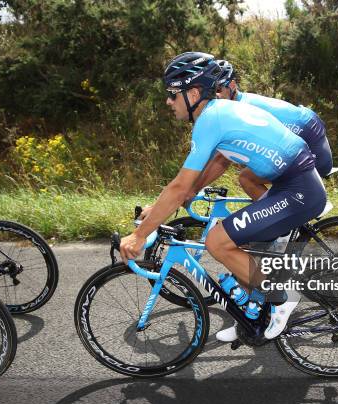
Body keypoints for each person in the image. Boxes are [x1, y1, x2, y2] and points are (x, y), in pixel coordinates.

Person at [119, 52, 327, 341]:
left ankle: (281, 297)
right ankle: (251, 316)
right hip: (291, 185)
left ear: (193, 93)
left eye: (172, 94)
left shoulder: (211, 119)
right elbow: (194, 179)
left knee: (217, 240)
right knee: (239, 247)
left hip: (299, 191)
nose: (168, 101)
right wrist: (160, 207)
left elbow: (180, 186)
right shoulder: (219, 112)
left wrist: (140, 235)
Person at [215, 60, 333, 201]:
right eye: (210, 91)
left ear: (232, 85)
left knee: (247, 178)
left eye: (218, 90)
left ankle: (281, 220)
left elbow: (221, 158)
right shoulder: (243, 102)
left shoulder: (242, 111)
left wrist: (191, 189)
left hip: (314, 150)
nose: (215, 96)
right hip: (311, 138)